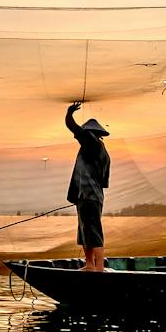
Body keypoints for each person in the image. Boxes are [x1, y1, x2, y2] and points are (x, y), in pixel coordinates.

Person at [65, 101, 111, 271]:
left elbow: (73, 127)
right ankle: (90, 265)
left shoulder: (91, 143)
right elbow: (104, 182)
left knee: (92, 230)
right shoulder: (104, 152)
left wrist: (69, 113)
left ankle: (98, 267)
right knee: (85, 231)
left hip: (89, 196)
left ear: (91, 134)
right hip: (90, 196)